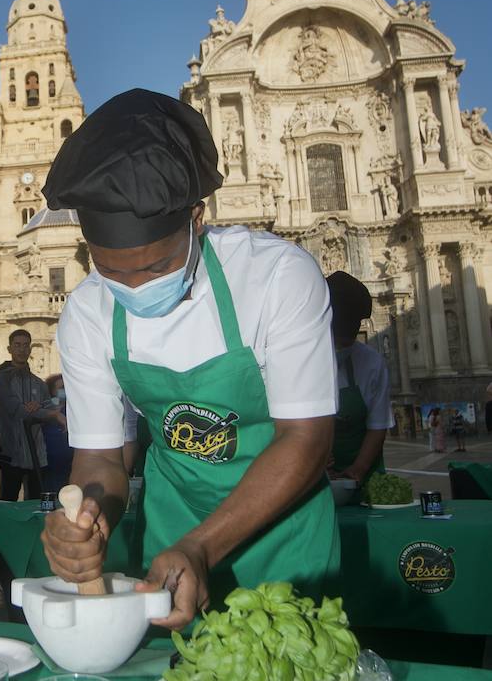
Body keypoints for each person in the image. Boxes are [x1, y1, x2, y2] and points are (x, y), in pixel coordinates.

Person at [40, 88, 340, 630]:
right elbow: (102, 458)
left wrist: (202, 546)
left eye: (155, 268)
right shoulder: (86, 313)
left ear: (196, 219)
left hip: (285, 536)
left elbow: (306, 438)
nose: (134, 287)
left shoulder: (275, 277)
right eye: (111, 271)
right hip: (170, 541)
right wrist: (89, 517)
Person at [326, 271, 394, 489]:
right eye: (336, 342)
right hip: (310, 477)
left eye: (347, 343)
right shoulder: (296, 358)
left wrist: (358, 469)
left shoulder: (371, 363)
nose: (341, 349)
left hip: (363, 480)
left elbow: (378, 425)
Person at [0, 330, 59, 500]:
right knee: (8, 502)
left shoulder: (39, 383)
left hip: (36, 454)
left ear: (30, 349)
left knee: (36, 502)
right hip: (11, 452)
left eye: (25, 345)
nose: (21, 350)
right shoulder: (0, 381)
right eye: (17, 345)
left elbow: (50, 407)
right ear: (10, 349)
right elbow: (16, 410)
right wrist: (44, 412)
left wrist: (39, 407)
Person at [41, 373, 74, 494]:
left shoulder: (72, 408)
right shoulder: (46, 410)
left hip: (70, 460)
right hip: (52, 462)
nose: (65, 391)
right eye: (61, 388)